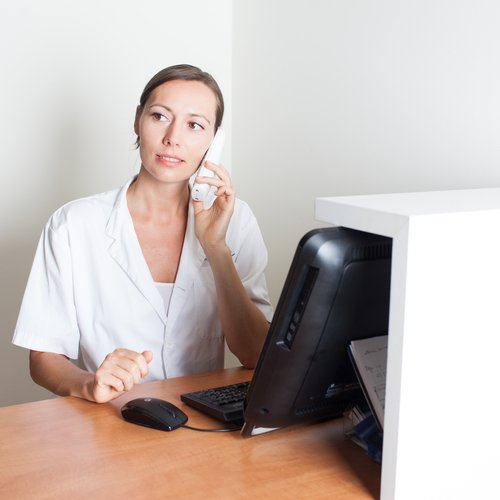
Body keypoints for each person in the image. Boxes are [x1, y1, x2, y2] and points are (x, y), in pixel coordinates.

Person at [12, 64, 273, 404]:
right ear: (138, 119)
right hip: (108, 426)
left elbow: (256, 355)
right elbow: (43, 358)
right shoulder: (73, 225)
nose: (173, 138)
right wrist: (89, 383)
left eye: (195, 125)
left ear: (214, 141)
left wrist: (215, 247)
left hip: (201, 427)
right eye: (160, 116)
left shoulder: (235, 220)